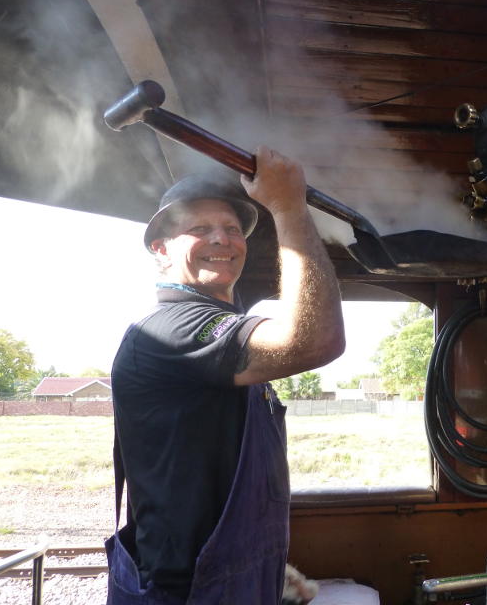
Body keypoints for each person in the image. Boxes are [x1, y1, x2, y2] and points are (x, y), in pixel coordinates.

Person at [107, 146, 346, 604]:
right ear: (160, 249)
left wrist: (266, 568)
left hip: (232, 581)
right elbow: (316, 339)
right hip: (189, 591)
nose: (222, 239)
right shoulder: (171, 329)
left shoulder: (225, 339)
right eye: (199, 229)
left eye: (233, 229)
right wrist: (288, 206)